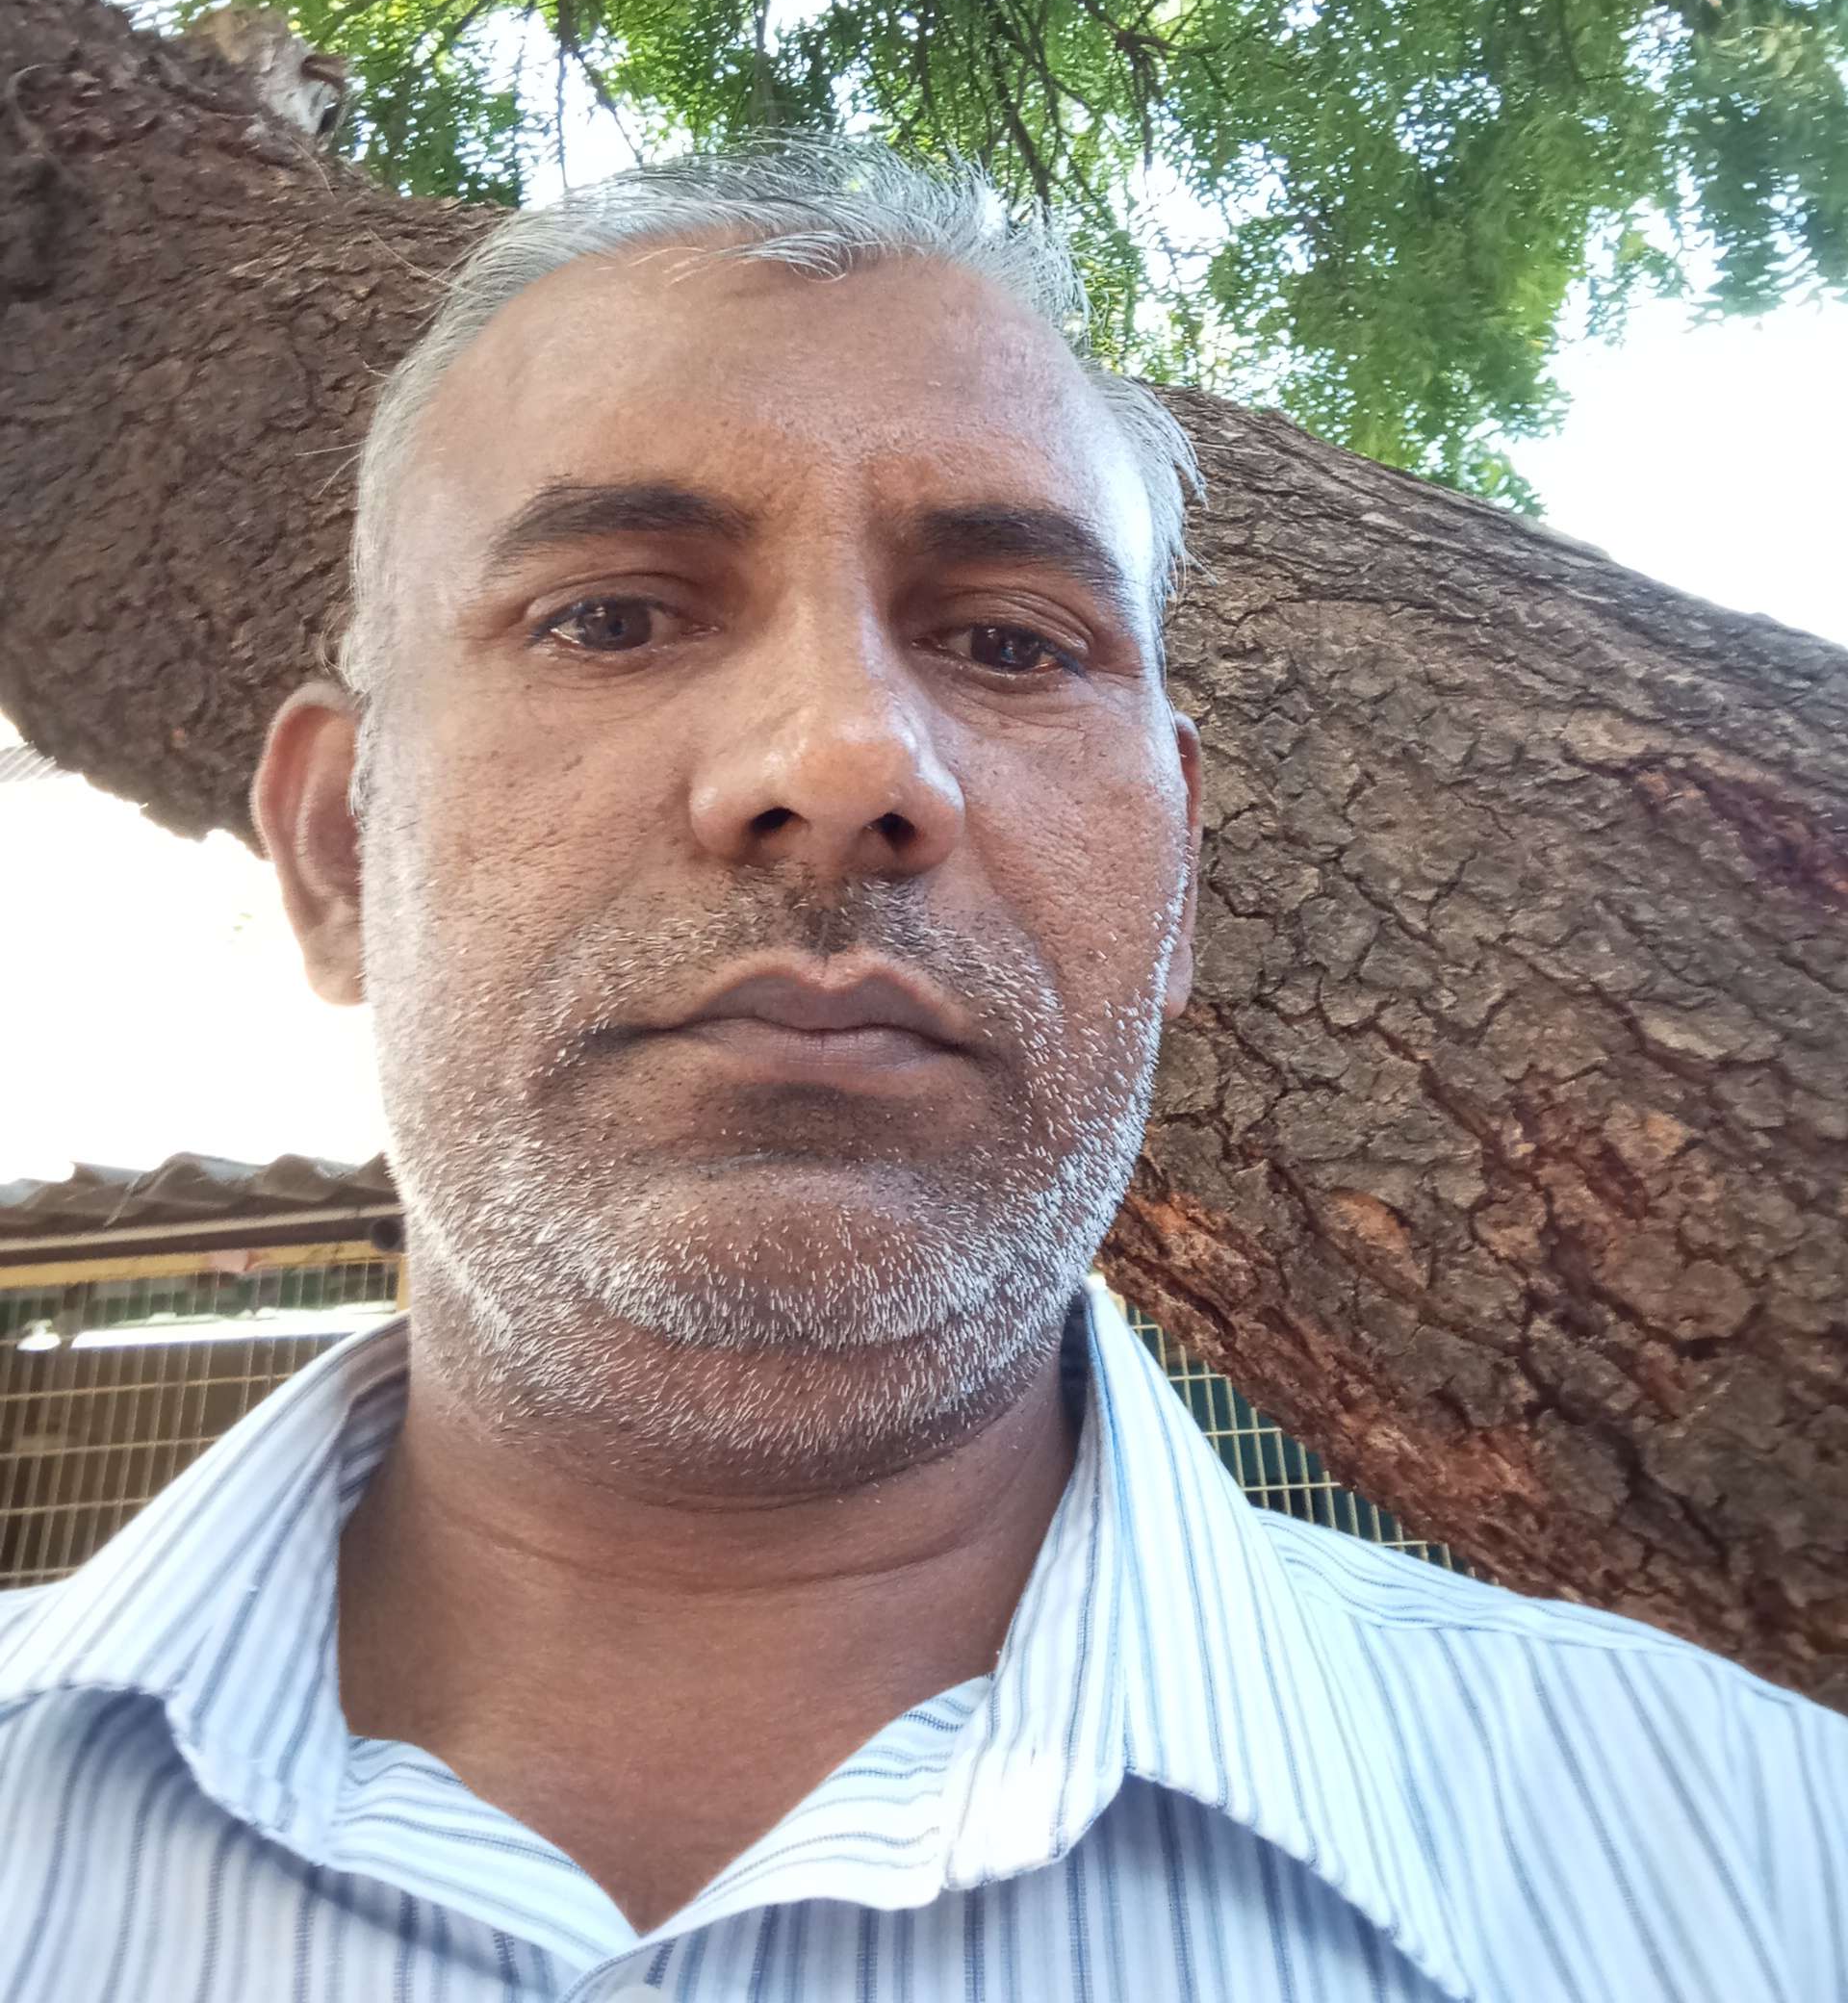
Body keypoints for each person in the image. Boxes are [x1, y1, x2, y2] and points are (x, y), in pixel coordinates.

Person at [0, 141, 1839, 2003]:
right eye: (609, 616)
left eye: (1012, 643)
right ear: (335, 851)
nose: (844, 760)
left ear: (1180, 878)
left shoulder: (1777, 1874)